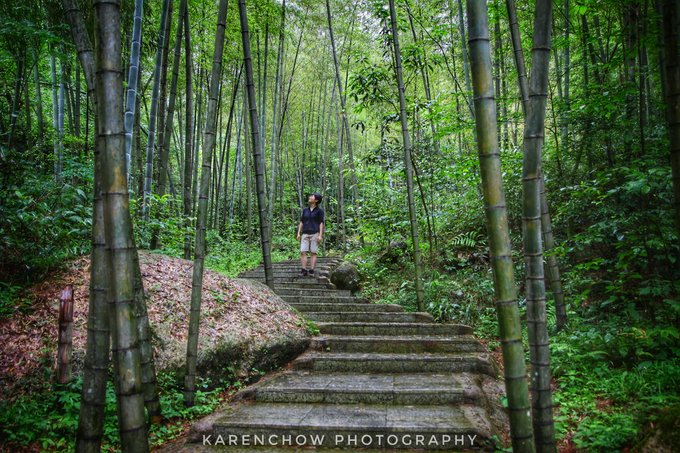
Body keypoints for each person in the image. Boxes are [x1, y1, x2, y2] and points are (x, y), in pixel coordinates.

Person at [296, 193, 325, 276]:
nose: (309, 197)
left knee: (313, 252)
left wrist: (320, 235)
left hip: (315, 233)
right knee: (302, 251)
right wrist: (298, 233)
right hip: (305, 233)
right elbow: (302, 221)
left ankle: (312, 270)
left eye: (312, 197)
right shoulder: (305, 210)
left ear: (316, 200)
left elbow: (321, 223)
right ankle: (304, 270)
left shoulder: (320, 211)